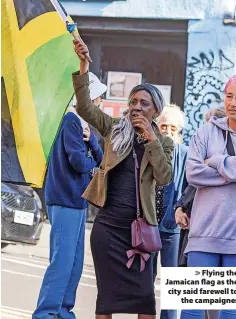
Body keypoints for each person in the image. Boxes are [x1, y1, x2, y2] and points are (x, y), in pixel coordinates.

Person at [73, 39, 174, 319]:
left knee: (144, 301)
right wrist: (83, 66)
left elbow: (164, 177)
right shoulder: (115, 128)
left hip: (140, 234)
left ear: (156, 110)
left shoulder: (164, 142)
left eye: (144, 103)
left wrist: (151, 138)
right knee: (105, 301)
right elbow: (85, 108)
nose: (136, 107)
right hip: (107, 229)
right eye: (133, 102)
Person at [32, 72, 106, 319]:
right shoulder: (71, 121)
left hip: (75, 202)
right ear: (87, 98)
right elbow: (79, 162)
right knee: (62, 262)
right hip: (65, 200)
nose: (99, 104)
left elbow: (101, 160)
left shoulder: (81, 125)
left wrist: (93, 143)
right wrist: (91, 158)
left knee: (73, 264)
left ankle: (63, 311)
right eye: (98, 99)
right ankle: (45, 313)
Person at [180, 76, 236, 319]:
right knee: (192, 310)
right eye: (229, 96)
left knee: (230, 311)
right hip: (203, 235)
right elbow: (192, 173)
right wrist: (232, 173)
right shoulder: (206, 131)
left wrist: (216, 162)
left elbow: (203, 168)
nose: (233, 103)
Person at [153, 104, 188, 319]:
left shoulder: (185, 153)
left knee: (172, 283)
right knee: (144, 281)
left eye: (172, 128)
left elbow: (188, 188)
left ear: (179, 131)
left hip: (172, 228)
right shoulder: (151, 149)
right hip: (147, 224)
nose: (167, 131)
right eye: (163, 126)